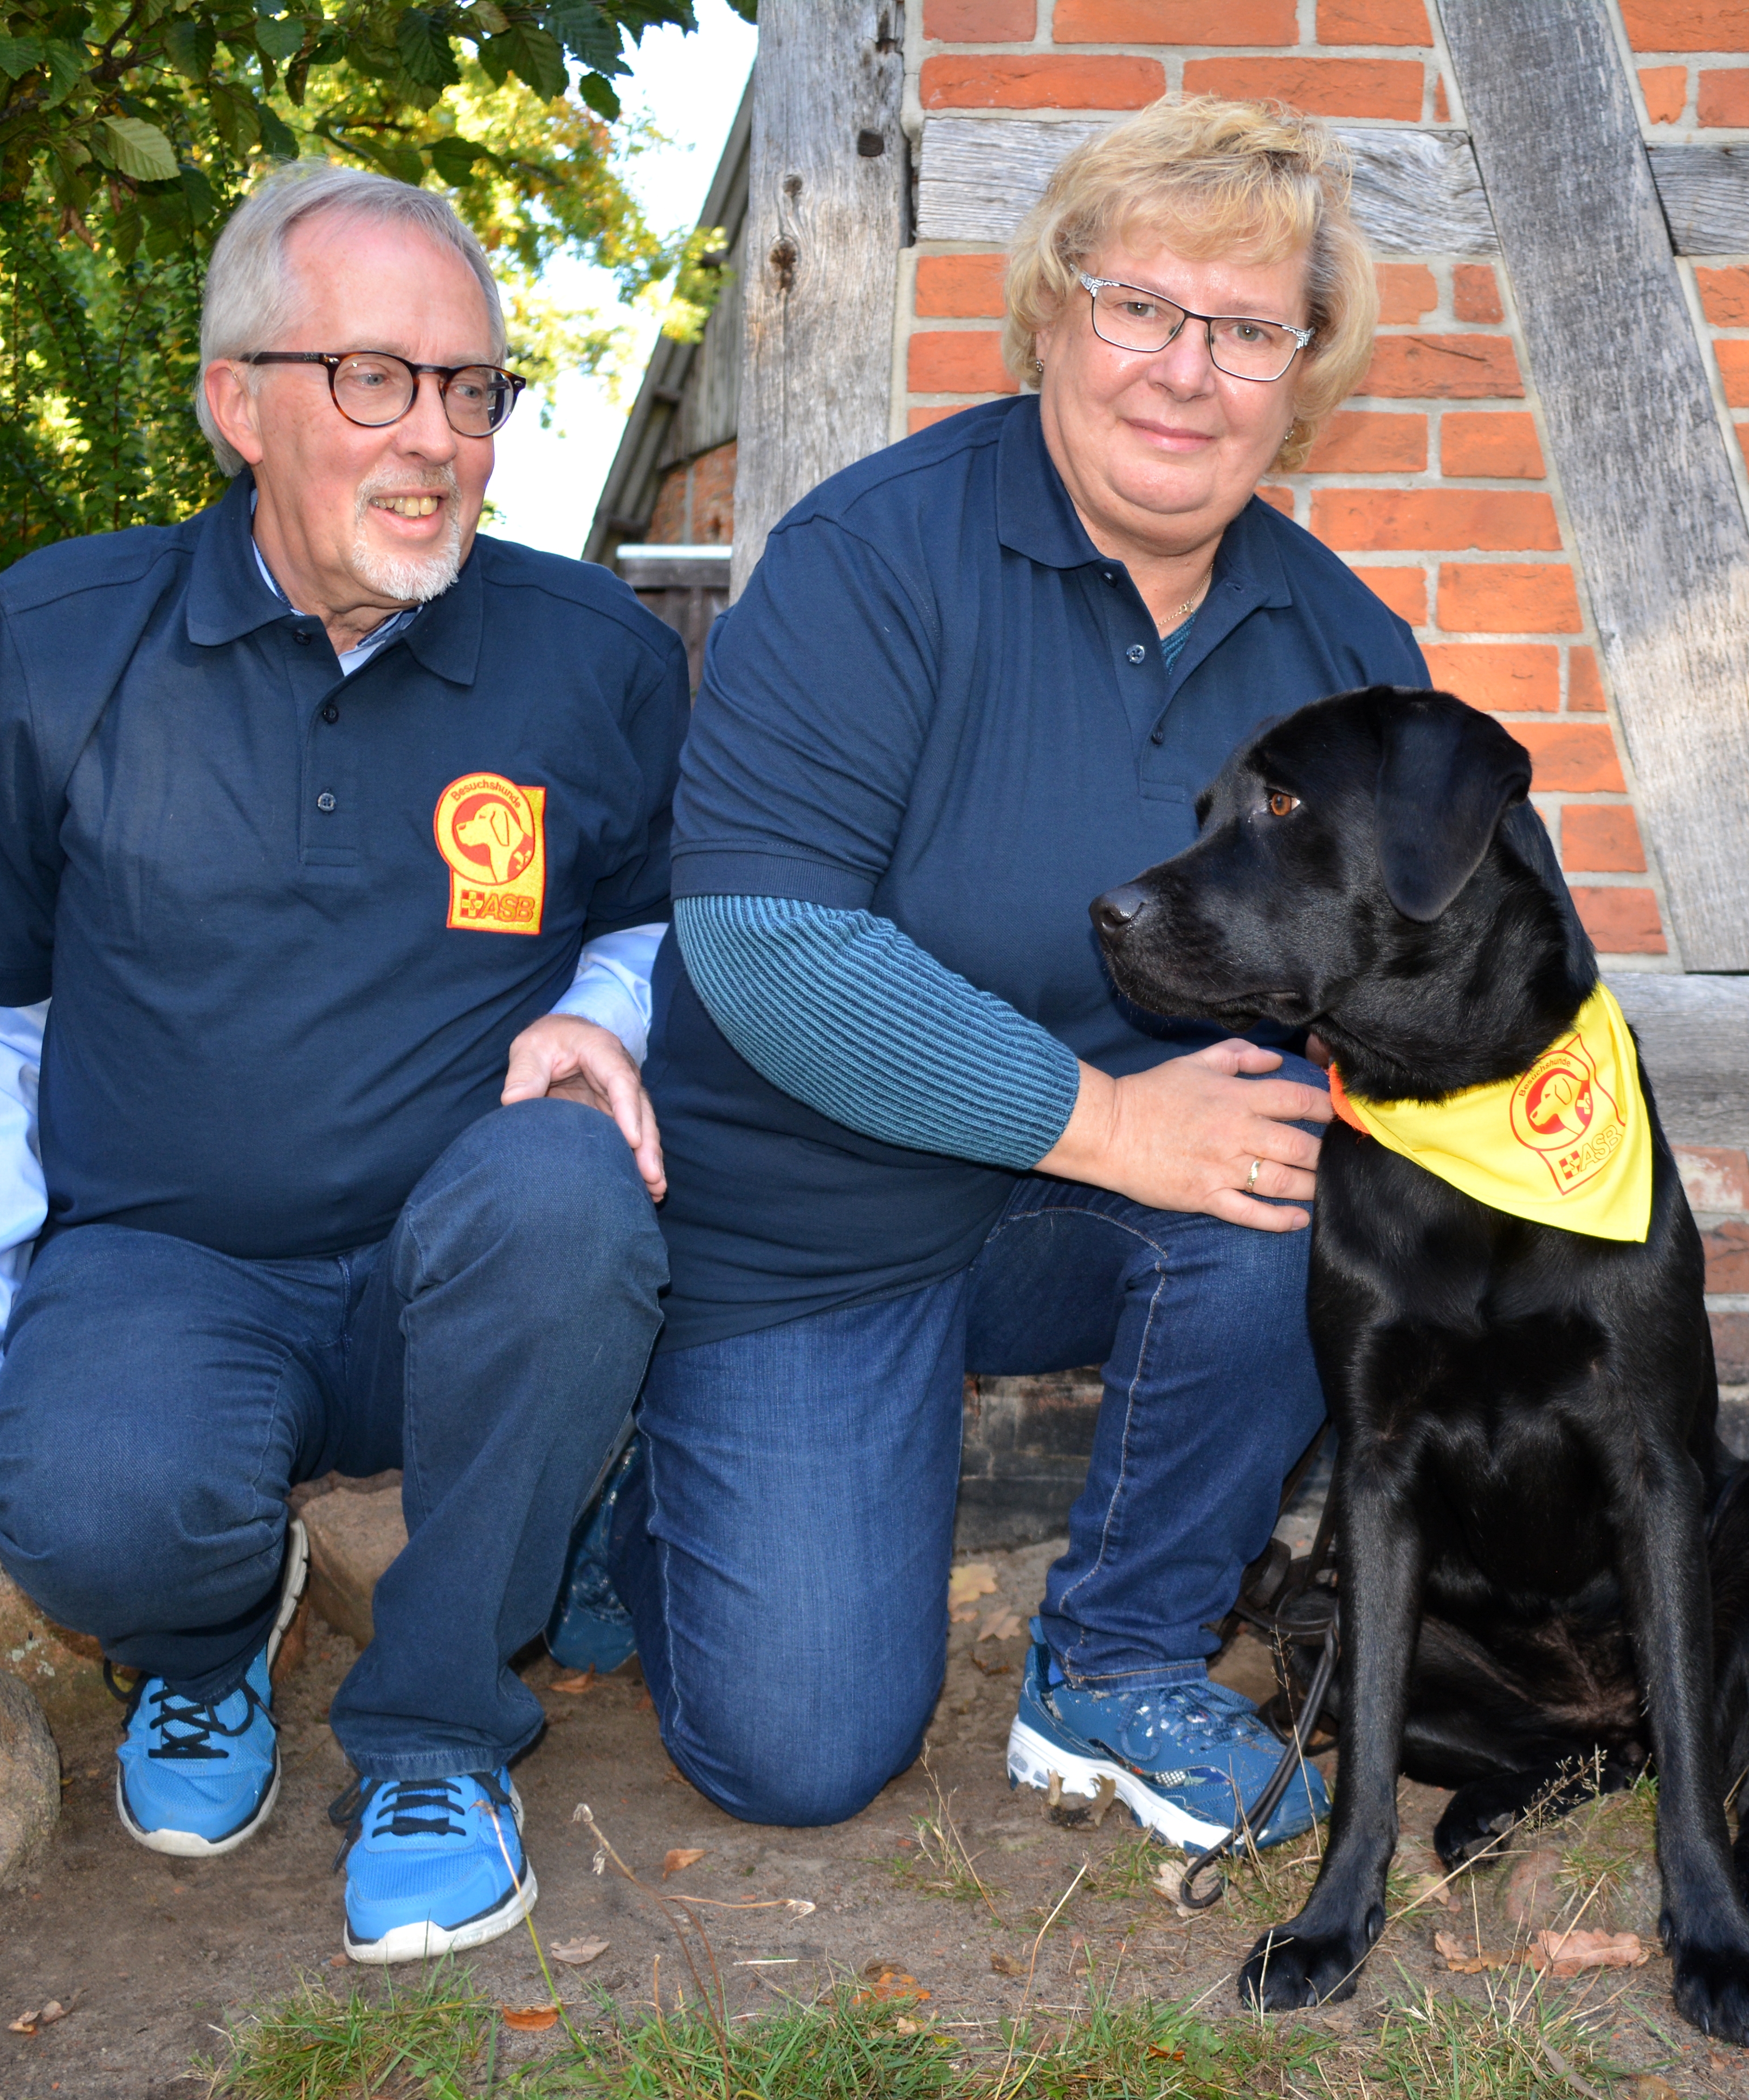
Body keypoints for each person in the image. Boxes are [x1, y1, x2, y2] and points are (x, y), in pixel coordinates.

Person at [0, 161, 688, 1963]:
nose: (435, 438)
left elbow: (662, 919)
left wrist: (609, 1007)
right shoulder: (55, 640)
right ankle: (205, 1630)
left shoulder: (593, 656)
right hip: (168, 1263)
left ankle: (434, 1729)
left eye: (472, 387)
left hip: (458, 1263)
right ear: (231, 401)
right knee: (88, 1494)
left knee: (575, 1198)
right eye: (373, 378)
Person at [616, 97, 1430, 1847]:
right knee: (804, 1752)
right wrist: (1113, 1123)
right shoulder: (874, 557)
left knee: (1321, 1149)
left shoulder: (1347, 648)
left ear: (1303, 375)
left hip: (1085, 1217)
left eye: (1246, 330)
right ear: (1051, 316)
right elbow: (771, 950)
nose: (1185, 370)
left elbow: (1433, 965)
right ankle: (651, 1502)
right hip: (809, 1217)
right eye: (1140, 307)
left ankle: (1118, 1660)